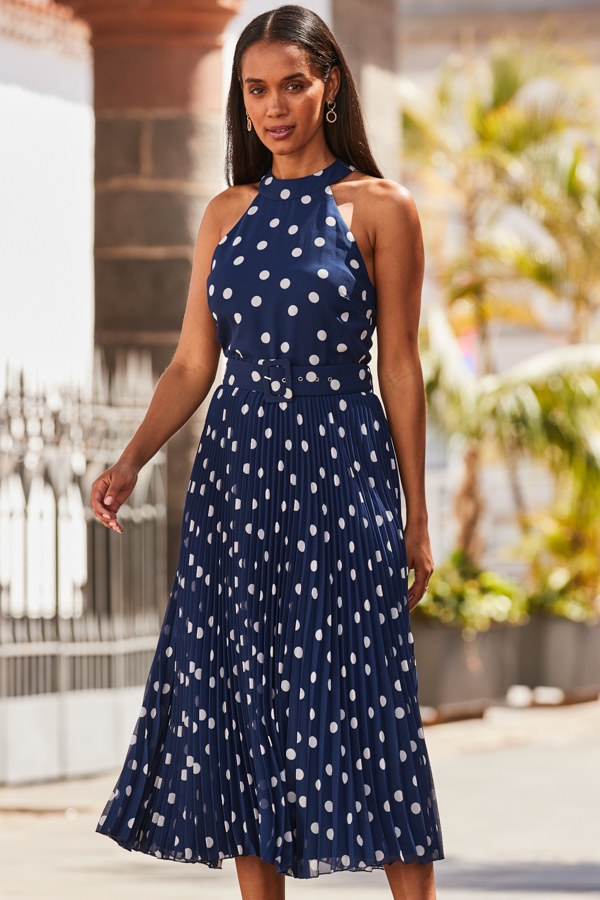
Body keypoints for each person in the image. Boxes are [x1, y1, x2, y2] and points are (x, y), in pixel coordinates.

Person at [92, 5, 443, 898]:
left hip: (342, 478)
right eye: (256, 89)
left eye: (293, 83)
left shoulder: (380, 208)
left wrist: (416, 515)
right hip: (237, 487)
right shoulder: (224, 214)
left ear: (328, 87)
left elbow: (400, 369)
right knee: (248, 707)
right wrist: (130, 459)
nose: (275, 105)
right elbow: (190, 363)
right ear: (240, 102)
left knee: (371, 704)